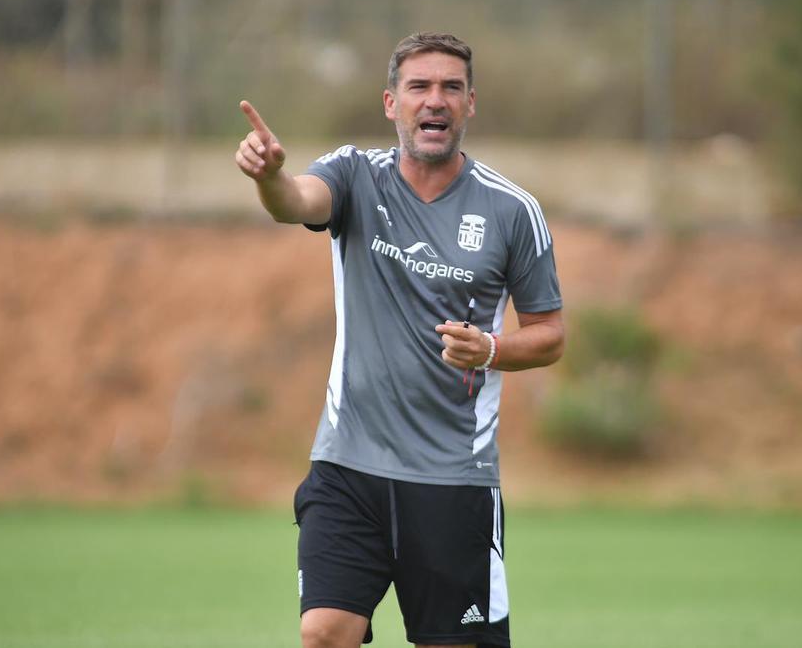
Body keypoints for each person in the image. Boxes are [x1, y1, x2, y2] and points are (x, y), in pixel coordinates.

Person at [234, 32, 564, 648]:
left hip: (452, 478)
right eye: (419, 87)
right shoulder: (356, 175)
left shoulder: (513, 211)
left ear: (471, 104)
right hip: (347, 464)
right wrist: (270, 176)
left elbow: (550, 334)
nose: (433, 100)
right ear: (392, 103)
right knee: (324, 632)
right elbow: (296, 201)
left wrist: (491, 349)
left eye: (450, 88)